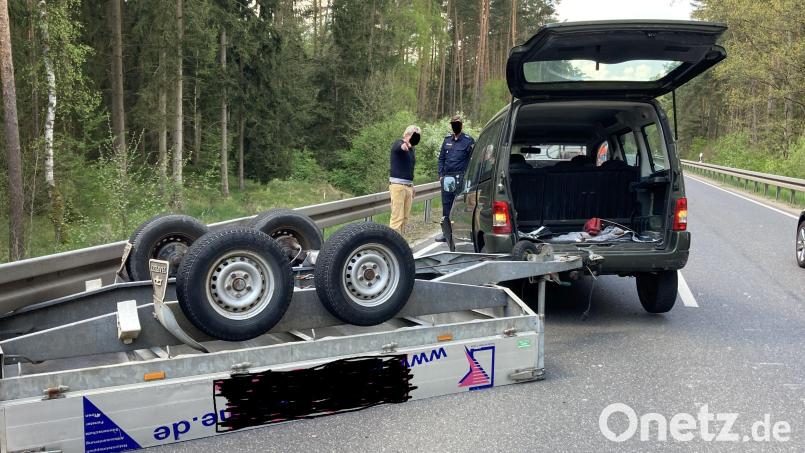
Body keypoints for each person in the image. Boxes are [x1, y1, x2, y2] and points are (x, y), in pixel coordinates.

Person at [435, 115, 475, 242]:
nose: (455, 125)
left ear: (461, 125)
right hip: (447, 179)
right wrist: (441, 175)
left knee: (460, 206)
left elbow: (473, 160)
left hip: (461, 177)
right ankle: (446, 234)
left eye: (457, 123)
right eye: (453, 123)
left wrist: (469, 177)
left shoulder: (469, 140)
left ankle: (461, 233)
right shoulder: (447, 140)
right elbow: (441, 159)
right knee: (447, 206)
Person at [388, 125, 421, 234]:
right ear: (407, 134)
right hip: (398, 187)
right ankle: (392, 246)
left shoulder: (412, 150)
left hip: (408, 186)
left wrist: (412, 185)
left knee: (405, 218)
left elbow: (408, 169)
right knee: (397, 219)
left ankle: (401, 245)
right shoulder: (398, 143)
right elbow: (400, 147)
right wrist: (404, 145)